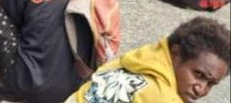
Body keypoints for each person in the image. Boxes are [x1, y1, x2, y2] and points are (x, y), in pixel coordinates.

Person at [65, 17, 230, 103]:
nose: (201, 89)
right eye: (198, 75)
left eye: (211, 84)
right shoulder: (160, 96)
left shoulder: (143, 59)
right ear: (175, 53)